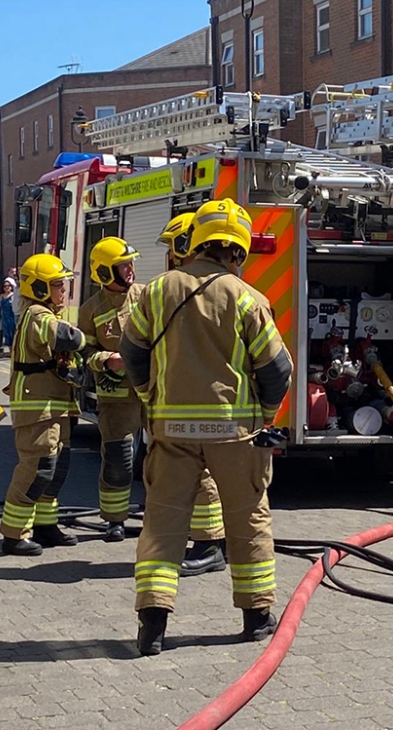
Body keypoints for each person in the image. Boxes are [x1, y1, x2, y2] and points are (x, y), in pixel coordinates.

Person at [121, 199, 292, 656]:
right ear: (238, 251)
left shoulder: (155, 292)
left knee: (161, 524)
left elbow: (133, 352)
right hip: (236, 436)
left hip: (171, 433)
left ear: (195, 242)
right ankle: (256, 618)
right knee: (248, 518)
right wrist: (266, 417)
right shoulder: (248, 298)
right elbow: (277, 370)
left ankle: (152, 627)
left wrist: (148, 396)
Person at [0, 254, 85, 556]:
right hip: (38, 407)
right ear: (39, 288)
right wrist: (89, 340)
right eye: (58, 284)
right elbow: (69, 337)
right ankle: (13, 535)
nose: (64, 290)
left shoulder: (47, 312)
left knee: (56, 469)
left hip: (55, 405)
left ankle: (45, 527)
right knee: (37, 469)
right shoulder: (38, 314)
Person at [156, 214, 228, 577]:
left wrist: (147, 391)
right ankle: (219, 543)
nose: (169, 258)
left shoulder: (169, 291)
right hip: (228, 410)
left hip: (191, 407)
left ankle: (209, 544)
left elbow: (138, 349)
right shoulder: (233, 290)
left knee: (201, 477)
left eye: (172, 248)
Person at [78, 237, 144, 543]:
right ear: (105, 273)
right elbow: (84, 353)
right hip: (116, 398)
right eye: (122, 265)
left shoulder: (147, 296)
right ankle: (115, 520)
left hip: (154, 391)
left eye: (130, 263)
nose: (130, 270)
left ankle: (162, 517)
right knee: (118, 459)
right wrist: (106, 359)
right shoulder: (90, 309)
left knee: (167, 457)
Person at [0, 282, 16, 358]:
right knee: (7, 335)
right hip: (4, 318)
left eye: (8, 286)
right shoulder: (1, 297)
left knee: (13, 334)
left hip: (11, 317)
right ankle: (11, 351)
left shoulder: (13, 296)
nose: (7, 287)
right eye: (5, 286)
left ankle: (14, 352)